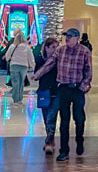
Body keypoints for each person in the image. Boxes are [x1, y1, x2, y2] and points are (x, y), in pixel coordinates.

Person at [33, 28, 92, 162]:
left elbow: (88, 70)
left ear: (76, 38)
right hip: (63, 88)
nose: (67, 38)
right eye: (66, 36)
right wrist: (38, 74)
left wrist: (84, 85)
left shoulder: (84, 51)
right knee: (64, 120)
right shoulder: (61, 51)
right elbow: (49, 64)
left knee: (79, 118)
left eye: (70, 36)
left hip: (77, 89)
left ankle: (79, 140)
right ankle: (63, 151)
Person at [36, 37, 60, 155]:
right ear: (46, 48)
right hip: (44, 91)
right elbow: (37, 74)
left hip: (56, 91)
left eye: (57, 47)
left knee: (52, 116)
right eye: (52, 47)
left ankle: (49, 141)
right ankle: (50, 138)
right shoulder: (40, 59)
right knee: (46, 118)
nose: (55, 50)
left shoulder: (59, 60)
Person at [4, 29, 34, 104]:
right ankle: (20, 98)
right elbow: (31, 57)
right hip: (24, 66)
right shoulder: (27, 47)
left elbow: (7, 56)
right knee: (21, 82)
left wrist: (8, 60)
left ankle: (15, 99)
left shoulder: (12, 46)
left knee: (15, 82)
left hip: (14, 65)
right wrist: (32, 66)